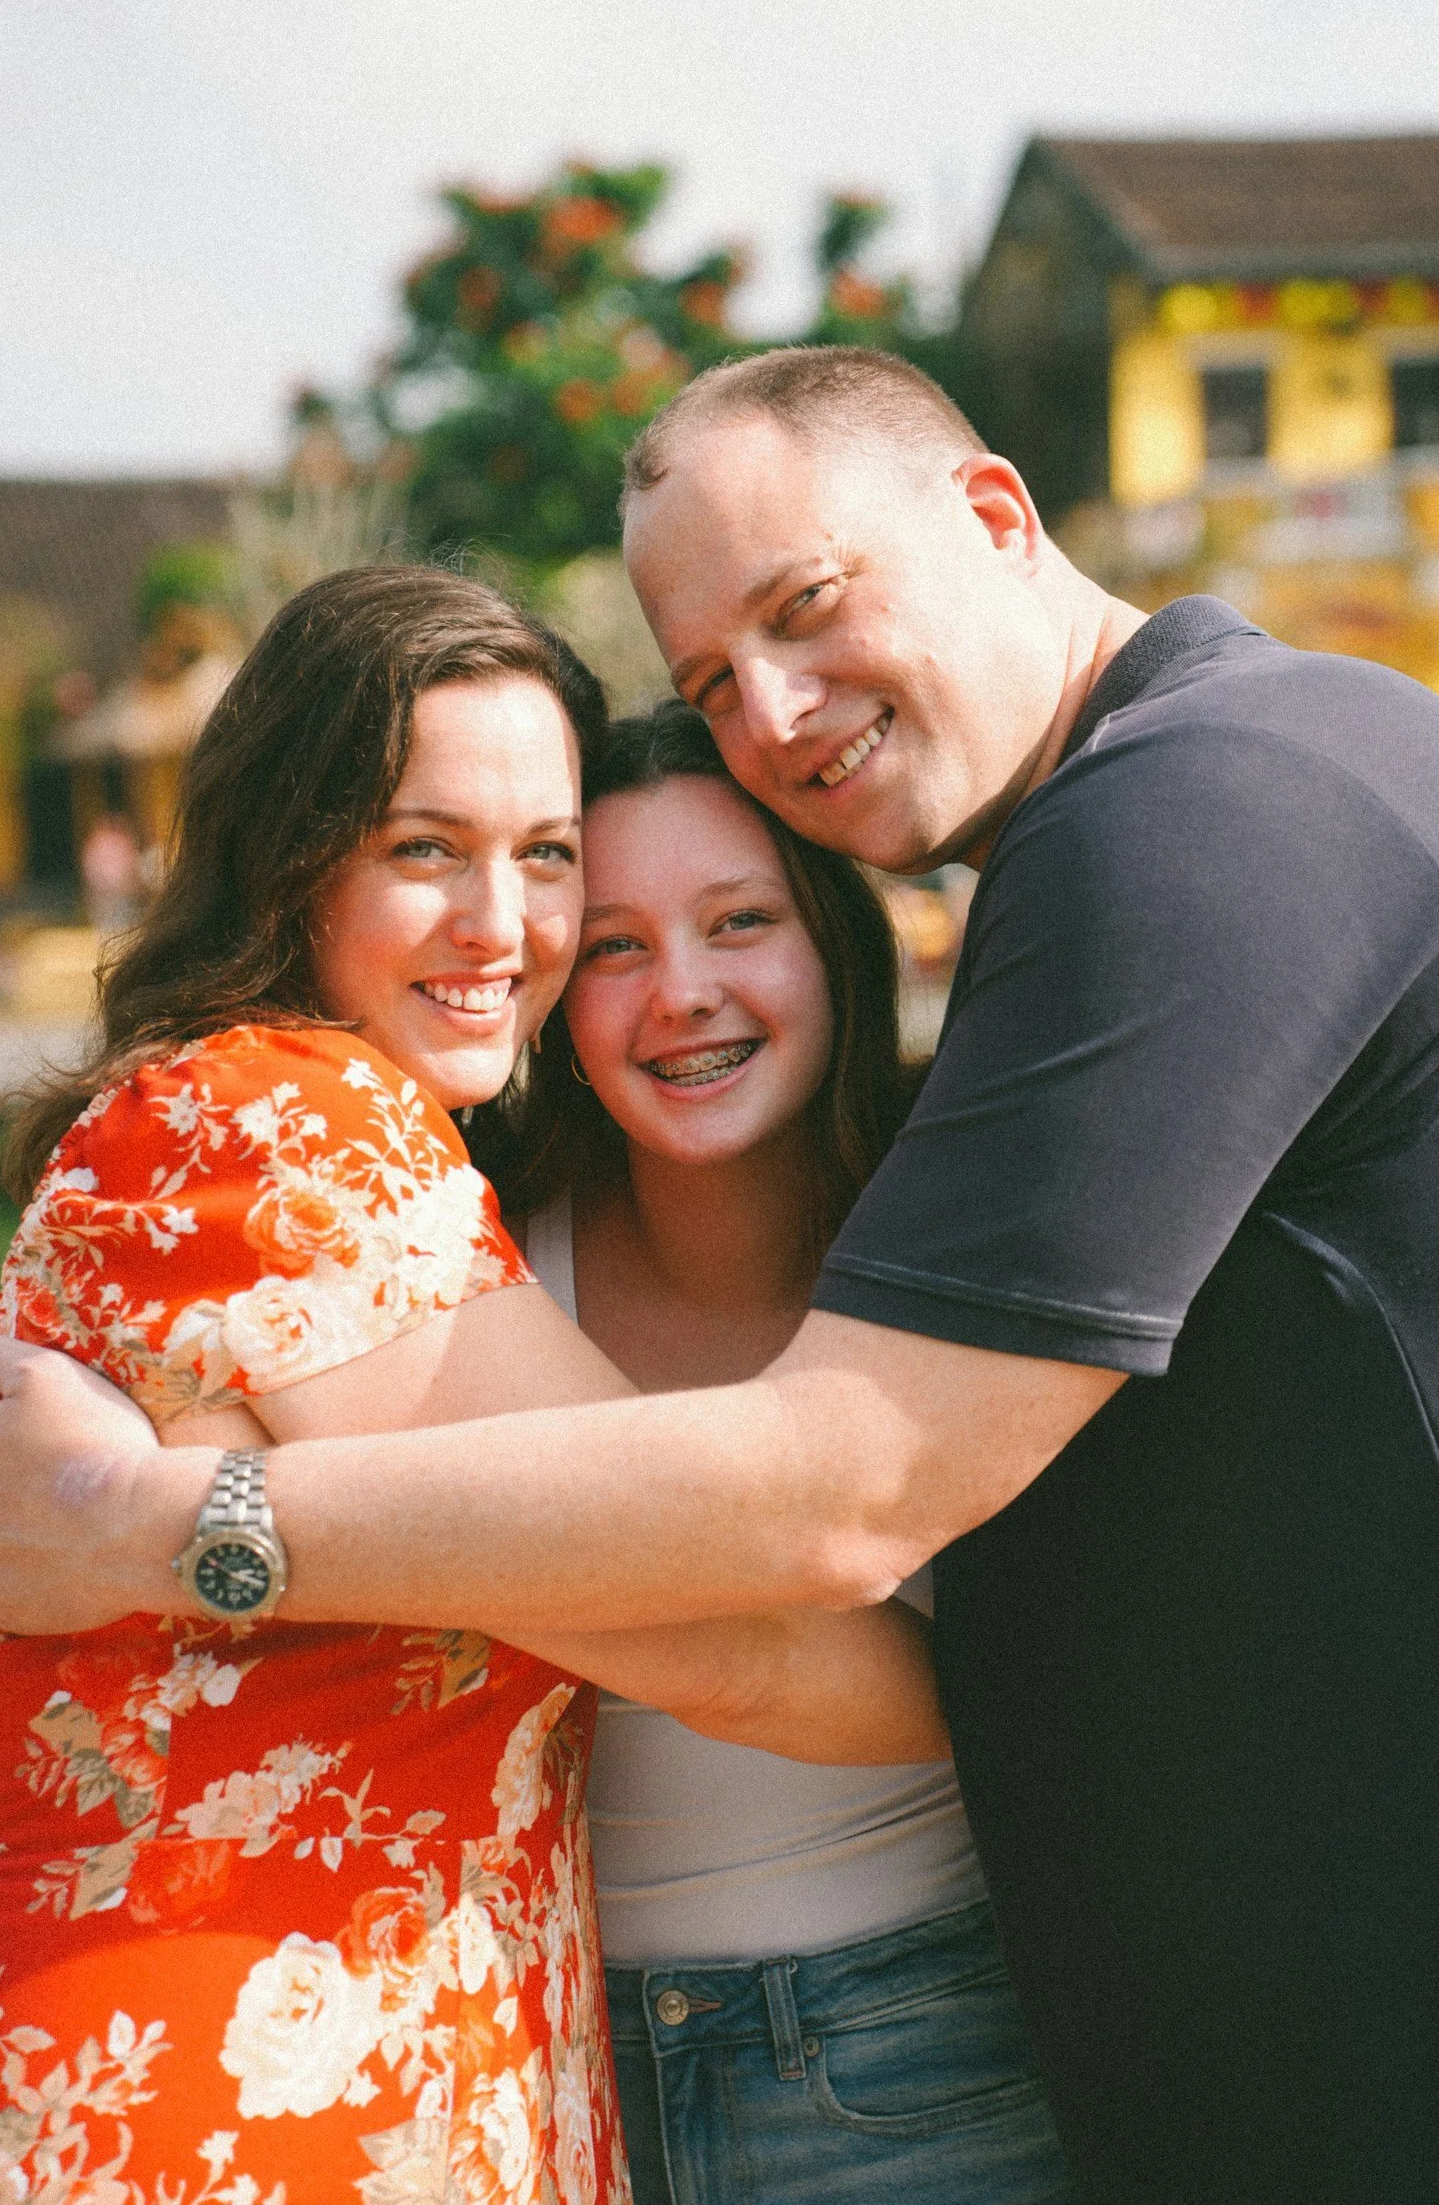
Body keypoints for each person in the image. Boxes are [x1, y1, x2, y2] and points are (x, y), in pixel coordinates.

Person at [0, 346, 1439, 2204]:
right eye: (707, 679)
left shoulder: (1196, 811)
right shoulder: (347, 1149)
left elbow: (837, 1492)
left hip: (1385, 1984)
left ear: (994, 515)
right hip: (370, 2069)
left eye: (806, 608)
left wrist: (154, 1523)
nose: (772, 713)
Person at [0, 562, 944, 2205]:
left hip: (280, 2081)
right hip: (217, 2104)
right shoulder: (291, 1132)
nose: (498, 926)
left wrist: (143, 1520)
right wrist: (1042, 1719)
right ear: (290, 861)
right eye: (422, 850)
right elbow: (733, 1619)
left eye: (542, 859)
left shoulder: (258, 1130)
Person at [472, 699, 1071, 2205]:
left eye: (739, 923)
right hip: (533, 2069)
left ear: (833, 947)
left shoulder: (989, 1223)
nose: (681, 994)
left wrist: (192, 1519)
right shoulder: (466, 1253)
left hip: (919, 2055)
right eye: (611, 945)